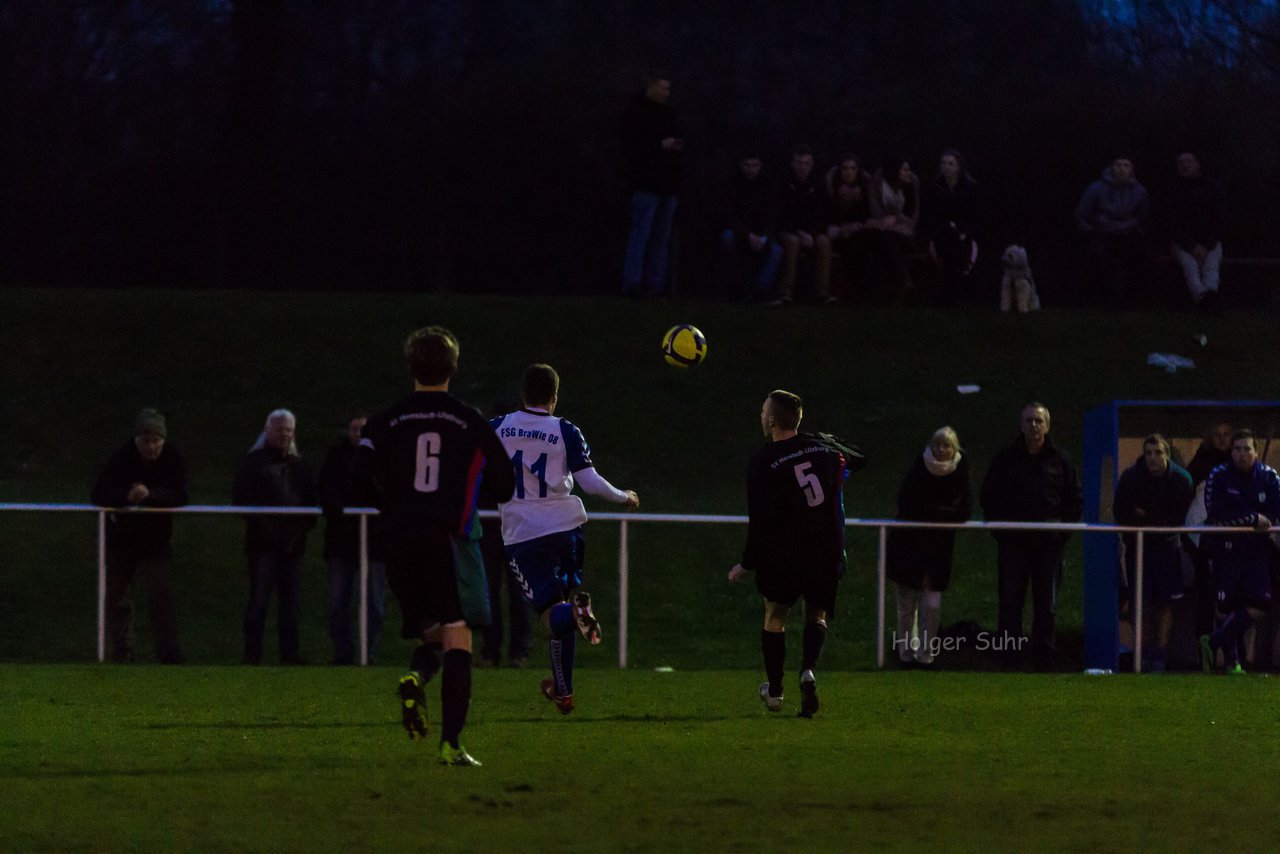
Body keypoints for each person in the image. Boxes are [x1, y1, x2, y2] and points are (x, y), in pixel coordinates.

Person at [350, 326, 514, 766]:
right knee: (459, 635)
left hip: (398, 540)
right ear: (453, 368)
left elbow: (357, 473)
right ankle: (451, 744)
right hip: (447, 539)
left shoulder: (386, 420)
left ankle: (415, 677)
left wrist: (390, 503)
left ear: (410, 367)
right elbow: (504, 480)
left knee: (433, 634)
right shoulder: (468, 419)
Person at [491, 364, 639, 715]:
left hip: (523, 534)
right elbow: (589, 482)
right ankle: (564, 691)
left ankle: (577, 615)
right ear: (554, 398)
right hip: (566, 530)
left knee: (553, 614)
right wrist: (623, 496)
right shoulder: (565, 430)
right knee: (560, 608)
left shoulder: (497, 427)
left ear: (522, 394)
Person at [728, 390, 864, 717]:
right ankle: (808, 670)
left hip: (784, 552)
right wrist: (825, 443)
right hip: (826, 547)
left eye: (764, 412)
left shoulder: (763, 462)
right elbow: (858, 458)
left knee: (775, 617)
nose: (761, 417)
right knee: (815, 614)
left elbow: (759, 520)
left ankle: (774, 692)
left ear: (773, 420)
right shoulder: (825, 449)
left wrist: (747, 563)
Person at [980, 402, 1084, 670]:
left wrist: (1061, 534)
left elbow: (1075, 500)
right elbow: (989, 498)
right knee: (1010, 605)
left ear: (1047, 426)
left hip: (1048, 547)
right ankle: (1008, 662)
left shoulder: (1062, 460)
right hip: (1013, 546)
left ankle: (1043, 664)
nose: (1034, 426)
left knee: (1046, 608)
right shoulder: (1004, 460)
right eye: (1029, 421)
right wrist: (1001, 532)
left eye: (1039, 421)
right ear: (1021, 425)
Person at [90, 407, 189, 664]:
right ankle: (123, 653)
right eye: (146, 441)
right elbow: (99, 494)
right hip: (122, 542)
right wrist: (126, 496)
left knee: (161, 599)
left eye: (157, 441)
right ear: (137, 439)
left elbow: (181, 495)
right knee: (116, 598)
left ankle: (169, 655)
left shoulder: (172, 457)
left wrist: (151, 495)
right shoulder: (121, 457)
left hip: (156, 543)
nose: (152, 447)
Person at [233, 408, 317, 666]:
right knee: (258, 601)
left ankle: (289, 655)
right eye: (280, 429)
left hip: (293, 546)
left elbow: (311, 505)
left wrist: (295, 533)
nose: (284, 434)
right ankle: (252, 654)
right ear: (268, 431)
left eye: (289, 430)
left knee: (291, 603)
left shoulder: (300, 466)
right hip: (262, 546)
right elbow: (243, 501)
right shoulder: (253, 463)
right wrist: (269, 530)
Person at [885, 426, 972, 668]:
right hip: (908, 546)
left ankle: (926, 654)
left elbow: (964, 509)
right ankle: (905, 654)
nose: (941, 450)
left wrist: (936, 513)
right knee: (906, 605)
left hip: (939, 549)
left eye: (946, 445)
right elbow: (909, 505)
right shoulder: (918, 468)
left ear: (954, 449)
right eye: (937, 444)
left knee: (932, 605)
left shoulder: (960, 472)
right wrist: (943, 513)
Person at [1199, 429, 1280, 674]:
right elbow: (1216, 515)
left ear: (1256, 452)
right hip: (1226, 549)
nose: (1242, 454)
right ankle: (1233, 664)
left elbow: (1274, 514)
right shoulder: (1219, 475)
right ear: (1231, 452)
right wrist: (1252, 518)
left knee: (1260, 603)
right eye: (1237, 449)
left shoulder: (1269, 477)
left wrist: (1258, 520)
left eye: (1247, 449)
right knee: (1225, 607)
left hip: (1256, 551)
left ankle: (1212, 641)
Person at [1112, 433, 1195, 672]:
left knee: (1165, 601)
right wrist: (1147, 516)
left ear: (1167, 455)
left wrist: (1145, 514)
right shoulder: (1131, 477)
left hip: (1168, 547)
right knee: (1140, 602)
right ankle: (1145, 650)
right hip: (1139, 548)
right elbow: (1122, 513)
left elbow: (1177, 518)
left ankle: (1159, 652)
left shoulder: (1181, 479)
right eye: (1148, 453)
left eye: (1158, 453)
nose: (1152, 458)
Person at [317, 414, 387, 665]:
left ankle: (369, 652)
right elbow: (325, 488)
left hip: (376, 542)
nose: (357, 433)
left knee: (374, 603)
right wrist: (338, 508)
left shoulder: (383, 455)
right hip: (342, 541)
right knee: (339, 601)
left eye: (363, 429)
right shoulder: (336, 457)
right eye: (353, 428)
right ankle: (342, 653)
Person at [477, 404, 532, 669]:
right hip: (492, 526)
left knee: (518, 591)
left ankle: (517, 651)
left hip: (515, 526)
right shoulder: (487, 454)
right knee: (491, 590)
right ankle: (493, 650)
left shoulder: (519, 453)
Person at [619, 70, 682, 297]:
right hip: (646, 184)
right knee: (641, 236)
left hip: (666, 184)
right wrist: (659, 145)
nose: (667, 92)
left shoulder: (667, 113)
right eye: (663, 87)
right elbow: (630, 146)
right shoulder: (636, 112)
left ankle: (654, 285)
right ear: (652, 86)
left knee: (659, 239)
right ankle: (634, 283)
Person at [1074, 156, 1151, 305]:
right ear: (1112, 168)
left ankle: (1130, 300)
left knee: (1139, 257)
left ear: (1132, 170)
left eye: (1126, 165)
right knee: (1100, 258)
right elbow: (1081, 215)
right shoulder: (1095, 188)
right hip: (1102, 233)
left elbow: (1144, 219)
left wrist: (1139, 232)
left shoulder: (1140, 192)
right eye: (1118, 165)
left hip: (1128, 235)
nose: (1122, 168)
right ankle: (1107, 299)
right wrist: (1090, 232)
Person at [770, 145, 835, 306]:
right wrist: (799, 233)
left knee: (824, 242)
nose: (803, 167)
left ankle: (822, 292)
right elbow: (779, 214)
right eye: (799, 162)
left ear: (812, 165)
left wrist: (812, 233)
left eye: (806, 163)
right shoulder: (783, 182)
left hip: (811, 231)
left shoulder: (818, 183)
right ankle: (786, 292)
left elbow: (823, 214)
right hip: (789, 230)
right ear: (793, 163)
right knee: (793, 242)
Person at [920, 149, 981, 304]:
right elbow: (930, 215)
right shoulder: (935, 187)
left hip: (963, 233)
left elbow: (973, 216)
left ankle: (952, 291)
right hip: (941, 232)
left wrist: (961, 230)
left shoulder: (969, 187)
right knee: (948, 243)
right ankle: (952, 291)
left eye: (950, 164)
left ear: (958, 167)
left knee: (956, 245)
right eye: (943, 163)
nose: (946, 167)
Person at [720, 151, 783, 300]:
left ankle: (761, 290)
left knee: (776, 250)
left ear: (760, 166)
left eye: (755, 165)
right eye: (747, 165)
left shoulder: (768, 185)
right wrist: (747, 234)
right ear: (741, 165)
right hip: (739, 232)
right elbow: (728, 215)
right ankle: (735, 287)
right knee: (727, 238)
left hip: (761, 233)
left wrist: (764, 236)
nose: (751, 169)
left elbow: (773, 216)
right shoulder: (731, 184)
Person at [1167, 151, 1226, 312]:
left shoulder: (1213, 188)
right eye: (1181, 163)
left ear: (1197, 164)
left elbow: (1219, 219)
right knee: (1190, 266)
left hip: (1209, 241)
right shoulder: (1172, 190)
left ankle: (1206, 298)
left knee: (1211, 266)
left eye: (1188, 161)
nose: (1185, 165)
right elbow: (1171, 223)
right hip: (1183, 242)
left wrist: (1206, 244)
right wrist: (1191, 245)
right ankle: (1206, 299)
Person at [866, 156, 921, 297]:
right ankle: (900, 284)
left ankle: (901, 282)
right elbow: (875, 210)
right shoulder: (878, 181)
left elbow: (914, 216)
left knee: (887, 240)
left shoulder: (912, 183)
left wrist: (896, 218)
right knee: (884, 240)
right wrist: (885, 222)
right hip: (884, 230)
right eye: (904, 169)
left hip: (905, 234)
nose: (907, 172)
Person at [823, 153, 874, 299]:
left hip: (857, 232)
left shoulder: (864, 189)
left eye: (853, 168)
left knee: (860, 242)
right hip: (835, 231)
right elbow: (826, 214)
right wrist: (840, 227)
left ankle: (855, 289)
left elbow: (868, 215)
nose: (849, 172)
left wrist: (856, 225)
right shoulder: (830, 187)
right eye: (845, 168)